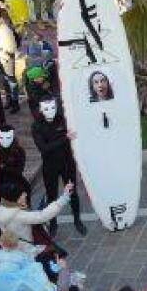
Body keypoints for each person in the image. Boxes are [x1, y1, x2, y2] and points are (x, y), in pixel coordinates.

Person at [31, 97, 85, 236]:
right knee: (51, 195)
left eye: (53, 108)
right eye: (46, 109)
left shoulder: (64, 120)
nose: (50, 111)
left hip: (67, 163)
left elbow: (76, 135)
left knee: (73, 193)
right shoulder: (37, 126)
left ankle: (77, 220)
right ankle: (53, 224)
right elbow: (44, 148)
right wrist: (64, 138)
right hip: (50, 165)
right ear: (41, 109)